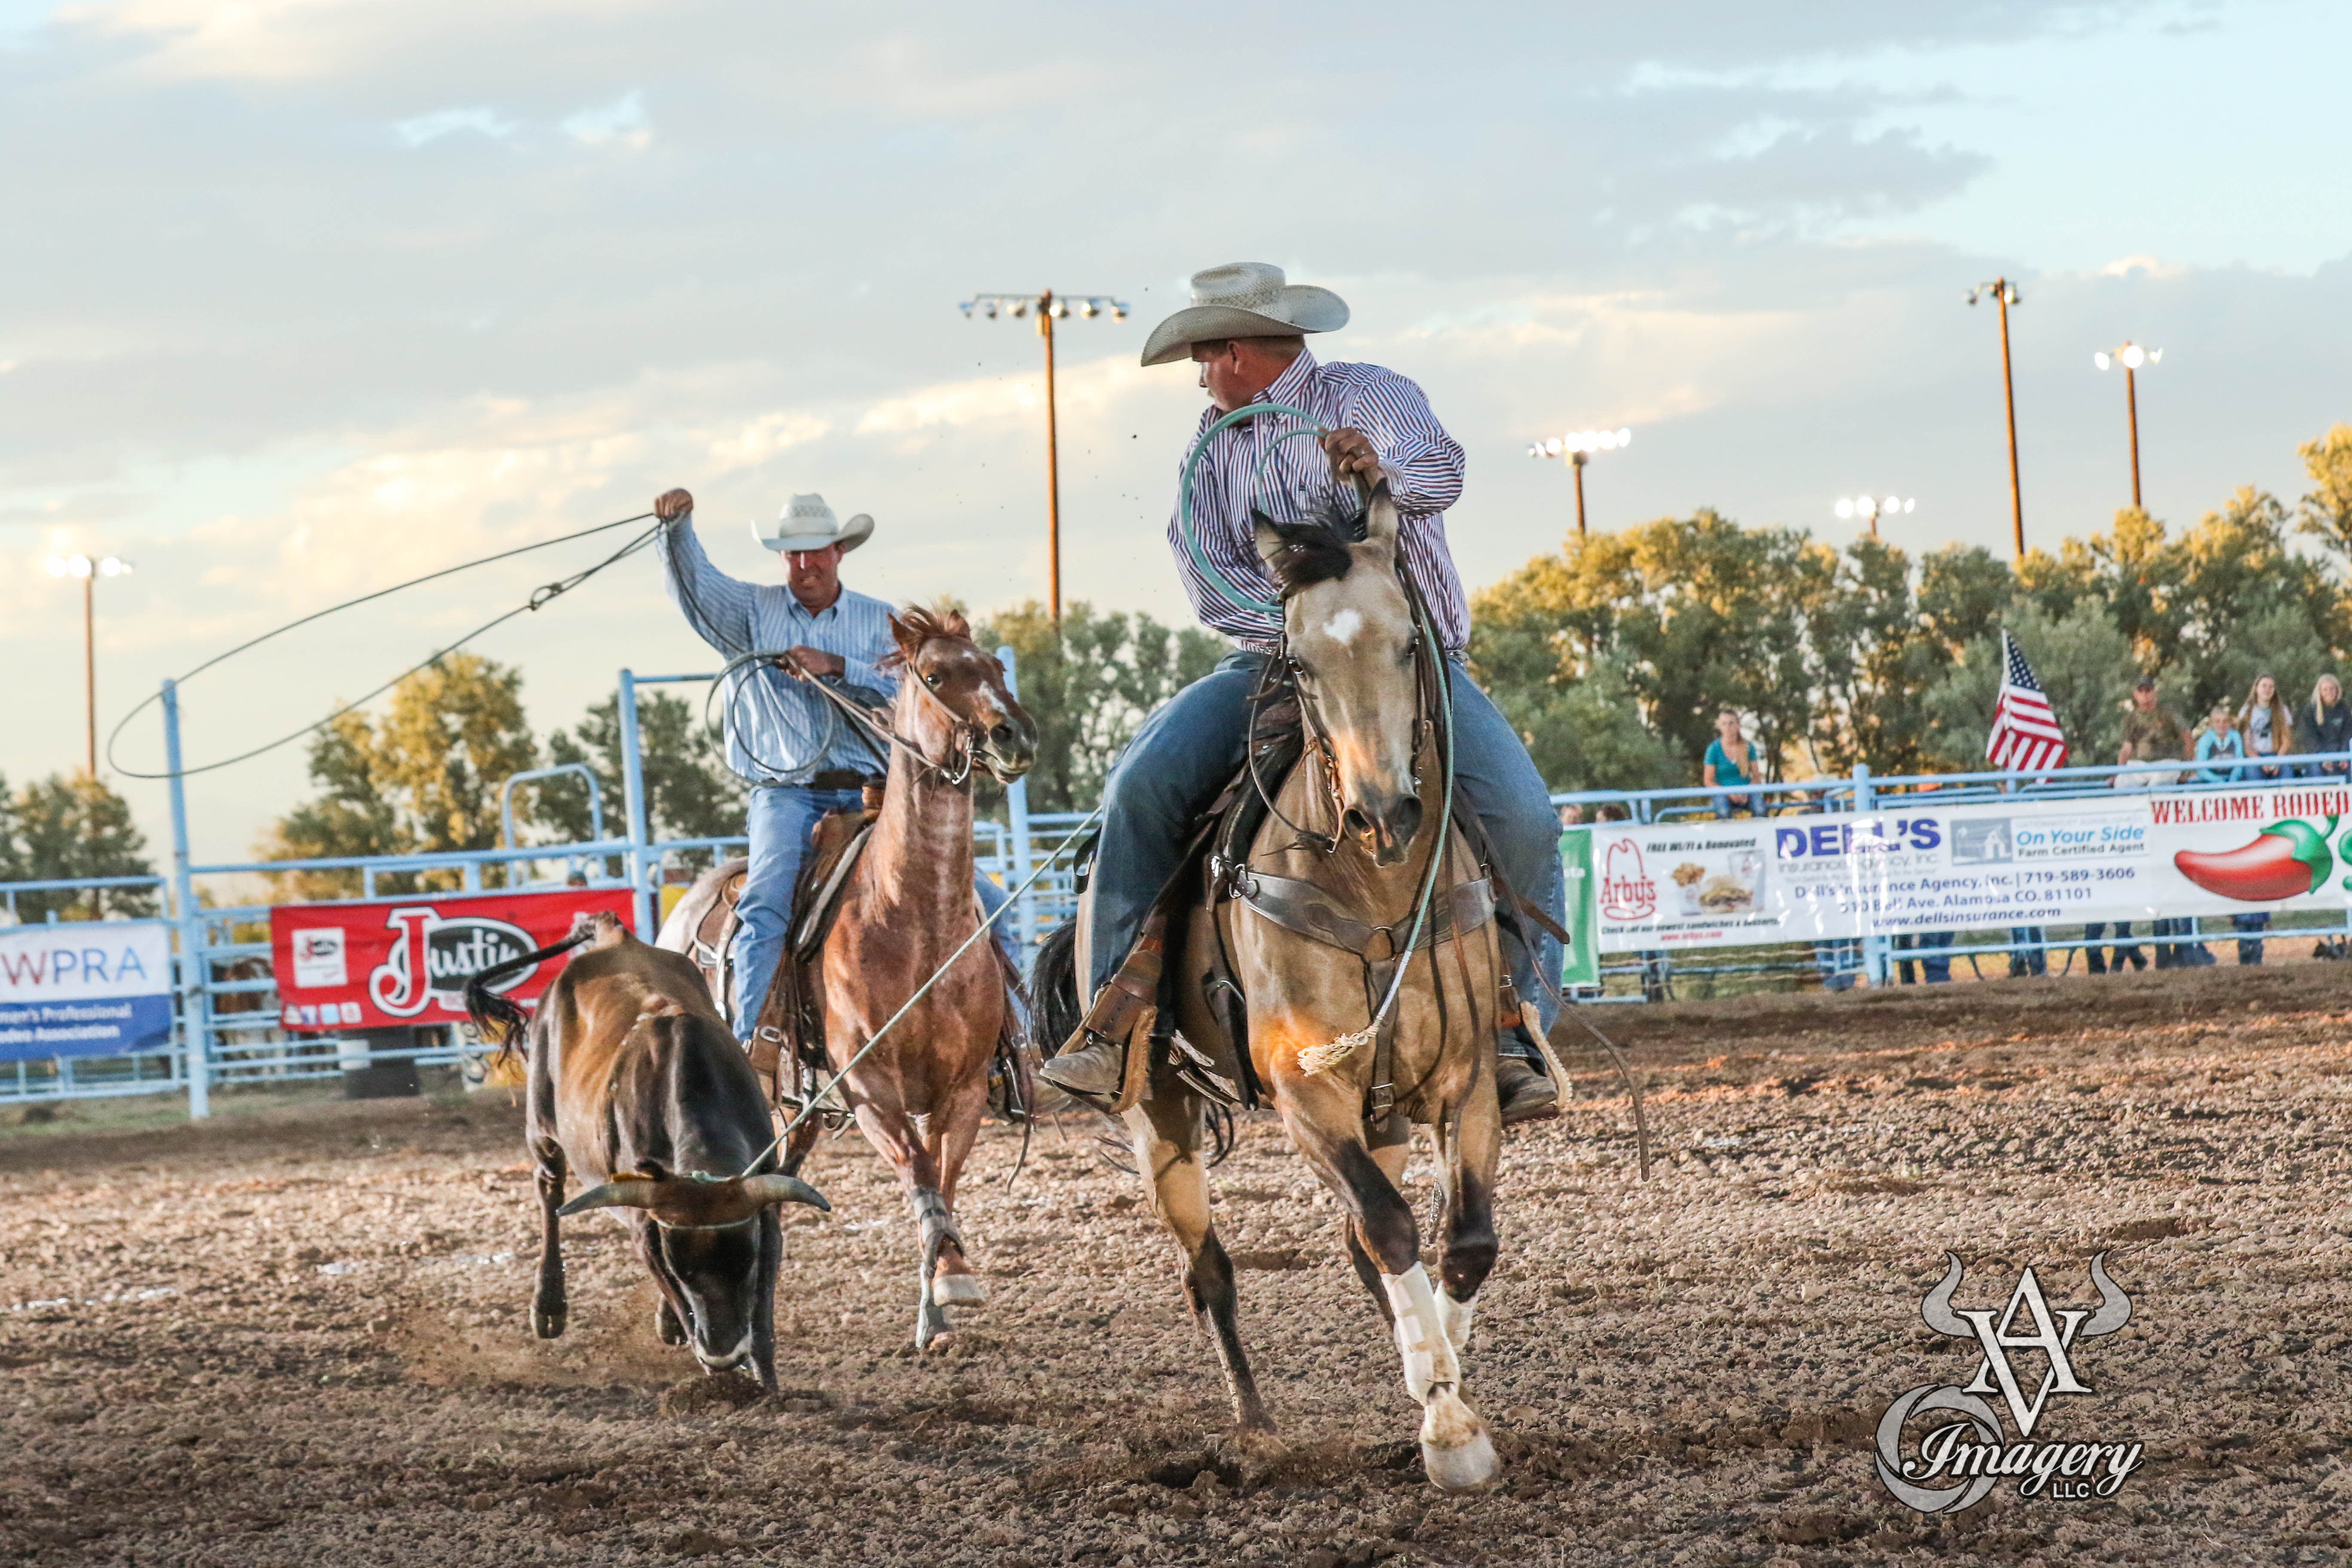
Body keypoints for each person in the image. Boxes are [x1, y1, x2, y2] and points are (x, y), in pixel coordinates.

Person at [1038, 262, 1562, 1122]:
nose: (1202, 379)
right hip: (1272, 662)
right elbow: (1210, 580)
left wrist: (1378, 473)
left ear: (1234, 350)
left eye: (1203, 360)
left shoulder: (1370, 395)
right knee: (1143, 788)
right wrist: (1307, 622)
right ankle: (1111, 1021)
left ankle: (1515, 1025)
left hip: (1411, 661)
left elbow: (1440, 471)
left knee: (1525, 816)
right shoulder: (1210, 450)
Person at [652, 487, 1011, 1045]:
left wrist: (838, 667)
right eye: (792, 554)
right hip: (787, 793)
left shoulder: (882, 623)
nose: (804, 564)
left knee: (984, 901)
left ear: (839, 550)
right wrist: (676, 531)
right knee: (766, 903)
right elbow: (697, 593)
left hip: (876, 795)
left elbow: (916, 704)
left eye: (815, 551)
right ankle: (753, 1047)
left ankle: (1012, 1042)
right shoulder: (752, 612)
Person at [1704, 710, 1762, 819]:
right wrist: (1729, 793)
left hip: (1747, 792)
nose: (1728, 728)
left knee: (1760, 809)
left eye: (1731, 723)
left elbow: (1757, 777)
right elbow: (1708, 781)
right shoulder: (1713, 749)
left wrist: (1746, 792)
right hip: (1723, 793)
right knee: (1723, 811)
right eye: (1724, 724)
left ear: (1738, 725)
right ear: (1720, 727)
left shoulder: (1749, 748)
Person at [2238, 673, 2293, 782]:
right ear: (2256, 688)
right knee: (2253, 776)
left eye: (2271, 687)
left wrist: (2278, 761)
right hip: (2255, 756)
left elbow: (2286, 741)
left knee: (2288, 776)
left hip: (2277, 754)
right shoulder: (2247, 711)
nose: (2267, 690)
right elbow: (2247, 746)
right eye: (2264, 686)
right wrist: (2260, 762)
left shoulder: (2282, 710)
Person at [2295, 674, 2352, 777]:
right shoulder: (2310, 711)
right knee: (2316, 769)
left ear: (2337, 690)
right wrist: (2323, 758)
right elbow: (2310, 737)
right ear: (2320, 692)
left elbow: (2347, 735)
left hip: (2341, 752)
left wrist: (2344, 756)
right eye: (2325, 690)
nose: (2329, 692)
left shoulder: (2344, 709)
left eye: (2332, 689)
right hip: (2318, 755)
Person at [2193, 701, 2248, 784]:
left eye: (2225, 721)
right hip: (2211, 783)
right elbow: (2201, 770)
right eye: (2217, 721)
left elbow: (2240, 764)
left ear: (2229, 723)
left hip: (2234, 782)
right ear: (2212, 723)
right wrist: (2220, 783)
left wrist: (2231, 784)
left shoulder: (2236, 736)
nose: (2221, 725)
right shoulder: (2205, 740)